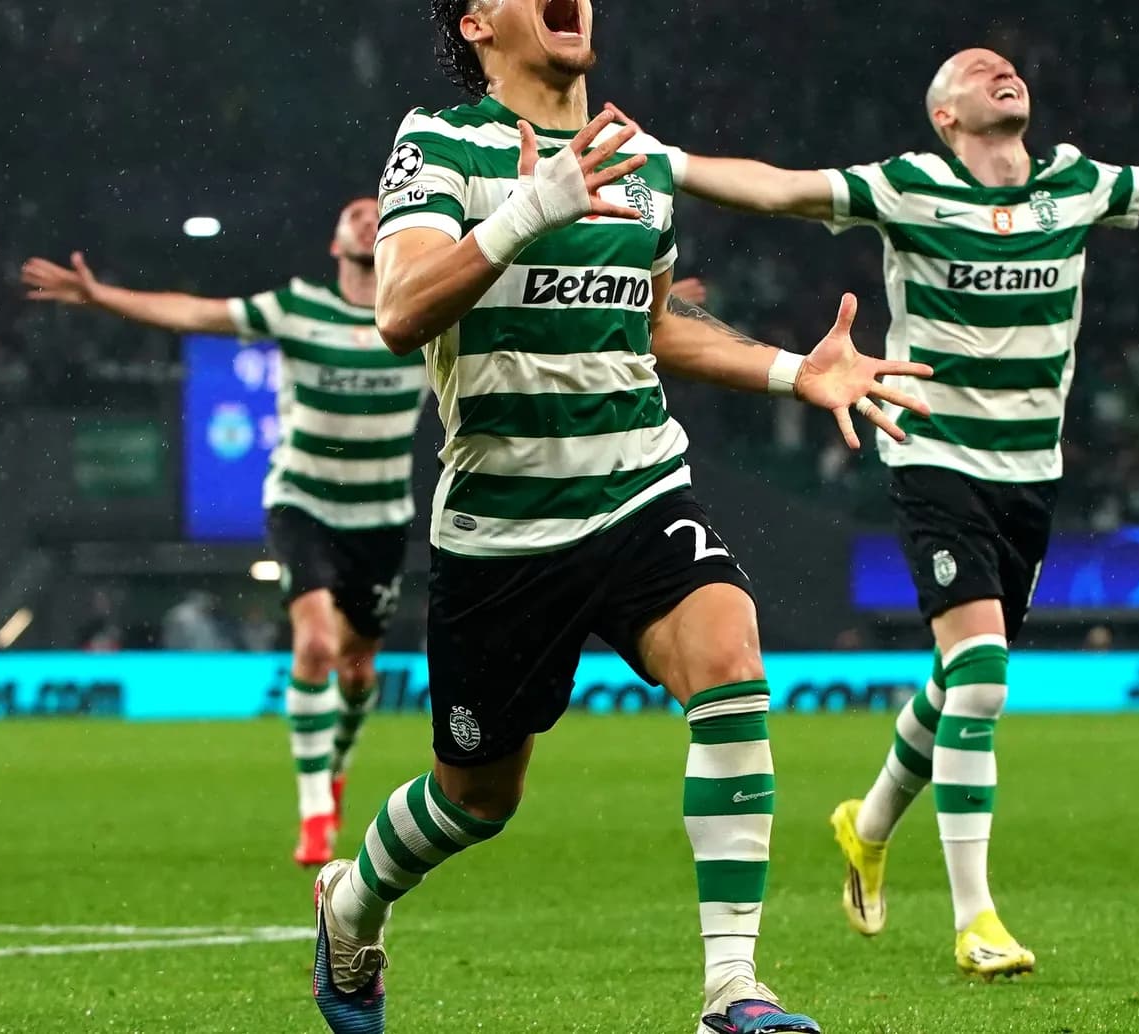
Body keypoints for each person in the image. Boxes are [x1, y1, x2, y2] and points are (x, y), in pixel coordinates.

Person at [659, 48, 1139, 979]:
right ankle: (977, 918)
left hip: (1028, 473)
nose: (999, 70)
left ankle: (868, 821)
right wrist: (668, 162)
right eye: (975, 70)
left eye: (1006, 65)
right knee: (984, 676)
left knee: (960, 677)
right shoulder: (911, 186)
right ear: (945, 118)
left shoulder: (1076, 183)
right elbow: (778, 189)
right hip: (933, 457)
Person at [305, 2, 931, 1031]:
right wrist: (524, 211)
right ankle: (350, 900)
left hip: (636, 482)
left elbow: (649, 325)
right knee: (475, 797)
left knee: (729, 652)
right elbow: (399, 309)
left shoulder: (634, 162)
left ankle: (733, 990)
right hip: (501, 525)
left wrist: (788, 368)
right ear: (475, 23)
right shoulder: (439, 142)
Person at [21, 199, 418, 867]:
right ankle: (315, 807)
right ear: (333, 241)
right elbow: (195, 313)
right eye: (353, 211)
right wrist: (101, 298)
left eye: (378, 210)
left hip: (380, 518)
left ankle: (337, 764)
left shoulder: (416, 319)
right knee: (316, 645)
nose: (366, 215)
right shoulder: (296, 308)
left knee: (357, 669)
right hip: (304, 502)